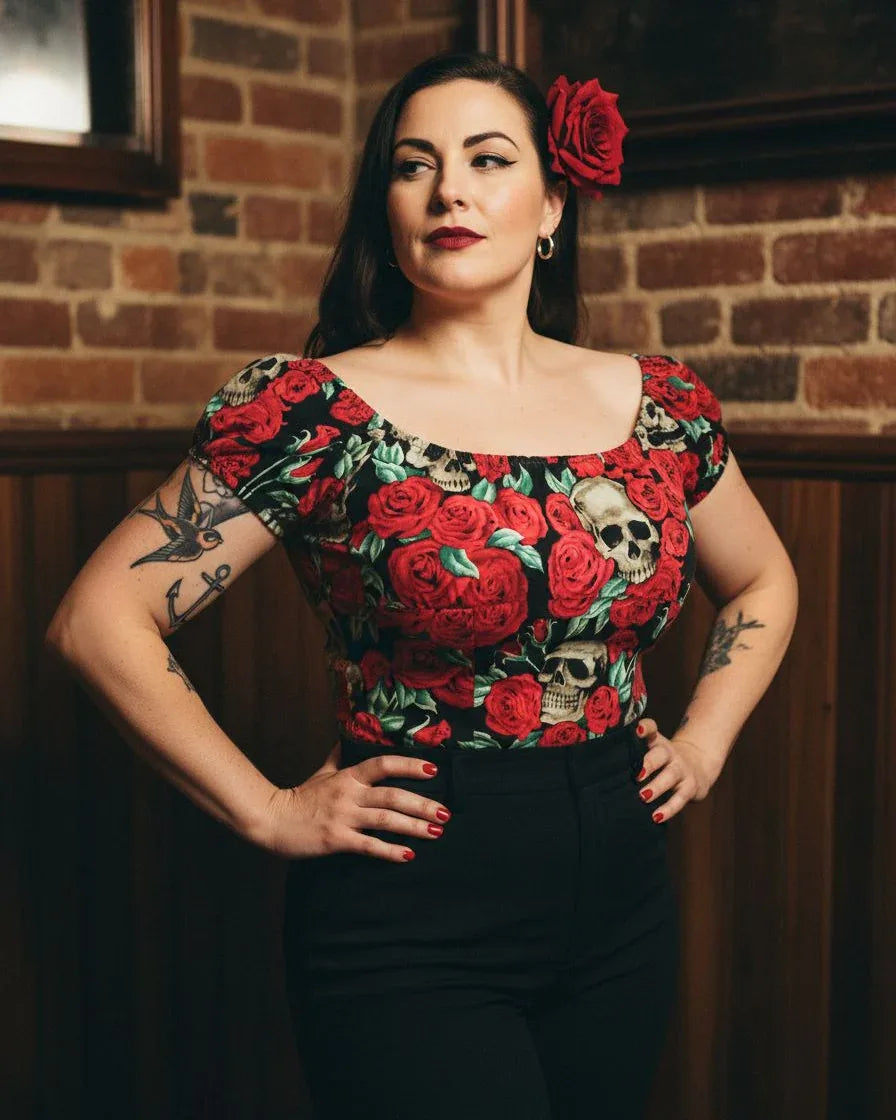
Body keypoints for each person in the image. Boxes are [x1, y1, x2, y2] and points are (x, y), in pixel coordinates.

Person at [45, 48, 798, 1120]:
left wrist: (706, 740)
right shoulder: (314, 412)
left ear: (552, 204)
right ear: (387, 210)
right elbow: (99, 618)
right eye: (414, 165)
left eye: (487, 159)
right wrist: (267, 809)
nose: (448, 190)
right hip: (411, 905)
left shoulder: (661, 405)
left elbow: (762, 577)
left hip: (621, 889)